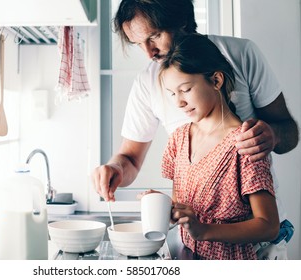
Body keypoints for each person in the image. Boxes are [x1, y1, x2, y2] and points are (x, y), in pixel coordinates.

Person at [91, 0, 298, 258]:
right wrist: (115, 169)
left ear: (182, 20)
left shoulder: (242, 54)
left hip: (254, 248)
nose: (148, 53)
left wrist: (274, 135)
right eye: (137, 44)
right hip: (194, 246)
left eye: (154, 36)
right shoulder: (151, 87)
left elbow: (290, 133)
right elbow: (130, 159)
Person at [159, 33, 279, 260]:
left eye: (185, 89)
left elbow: (268, 225)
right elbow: (182, 206)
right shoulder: (179, 138)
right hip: (188, 256)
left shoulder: (245, 144)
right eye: (173, 93)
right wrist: (162, 206)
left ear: (216, 81)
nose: (178, 102)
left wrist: (204, 231)